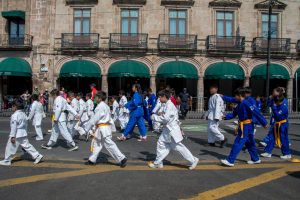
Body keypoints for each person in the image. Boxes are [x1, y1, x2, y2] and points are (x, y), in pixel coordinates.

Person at [148, 89, 199, 170]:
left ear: (164, 97)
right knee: (161, 143)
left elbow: (165, 118)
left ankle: (193, 160)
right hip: (168, 129)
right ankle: (158, 162)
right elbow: (165, 115)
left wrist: (154, 117)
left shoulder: (169, 105)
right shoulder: (166, 104)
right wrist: (159, 114)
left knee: (178, 147)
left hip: (172, 130)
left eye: (160, 97)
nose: (159, 99)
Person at [220, 88, 268, 167]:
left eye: (235, 96)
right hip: (245, 125)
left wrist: (264, 123)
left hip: (246, 126)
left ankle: (230, 160)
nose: (234, 97)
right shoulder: (239, 103)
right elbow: (234, 113)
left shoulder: (246, 103)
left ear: (239, 95)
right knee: (250, 143)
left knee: (238, 142)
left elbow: (256, 112)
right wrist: (226, 117)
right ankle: (255, 159)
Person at [83, 92, 127, 167]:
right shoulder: (106, 106)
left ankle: (122, 158)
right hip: (104, 128)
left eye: (96, 97)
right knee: (97, 144)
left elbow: (94, 119)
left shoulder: (100, 107)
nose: (95, 99)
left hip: (102, 129)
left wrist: (86, 128)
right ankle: (92, 160)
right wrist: (112, 128)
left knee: (109, 144)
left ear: (100, 98)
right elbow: (110, 119)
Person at [0, 101, 43, 166]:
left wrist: (12, 136)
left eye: (12, 106)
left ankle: (7, 161)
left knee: (9, 147)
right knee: (27, 146)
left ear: (15, 107)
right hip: (23, 133)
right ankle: (37, 155)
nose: (12, 108)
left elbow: (14, 127)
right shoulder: (23, 114)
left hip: (17, 134)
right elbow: (26, 124)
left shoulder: (15, 115)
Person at [261, 95, 291, 159]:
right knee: (272, 137)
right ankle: (268, 152)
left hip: (283, 124)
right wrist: (270, 98)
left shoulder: (284, 107)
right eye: (275, 101)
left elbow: (277, 115)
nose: (276, 103)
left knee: (283, 139)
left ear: (281, 101)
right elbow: (269, 104)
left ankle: (287, 153)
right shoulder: (276, 104)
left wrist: (274, 107)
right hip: (276, 123)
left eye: (277, 102)